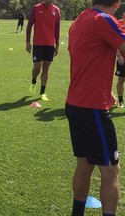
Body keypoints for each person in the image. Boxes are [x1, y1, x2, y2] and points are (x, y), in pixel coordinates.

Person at [66, 0, 125, 215]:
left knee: (85, 163)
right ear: (117, 3)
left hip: (75, 104)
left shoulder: (80, 20)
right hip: (92, 108)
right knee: (111, 170)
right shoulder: (105, 20)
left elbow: (87, 57)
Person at [26, 0, 60, 101]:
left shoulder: (56, 10)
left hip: (49, 45)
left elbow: (57, 29)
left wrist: (57, 44)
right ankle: (33, 81)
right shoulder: (36, 8)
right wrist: (27, 41)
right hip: (37, 44)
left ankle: (42, 92)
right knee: (37, 67)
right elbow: (29, 25)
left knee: (46, 68)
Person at [115, 13, 125, 108]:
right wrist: (119, 55)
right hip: (122, 58)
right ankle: (121, 100)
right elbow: (117, 40)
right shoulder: (119, 24)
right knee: (121, 80)